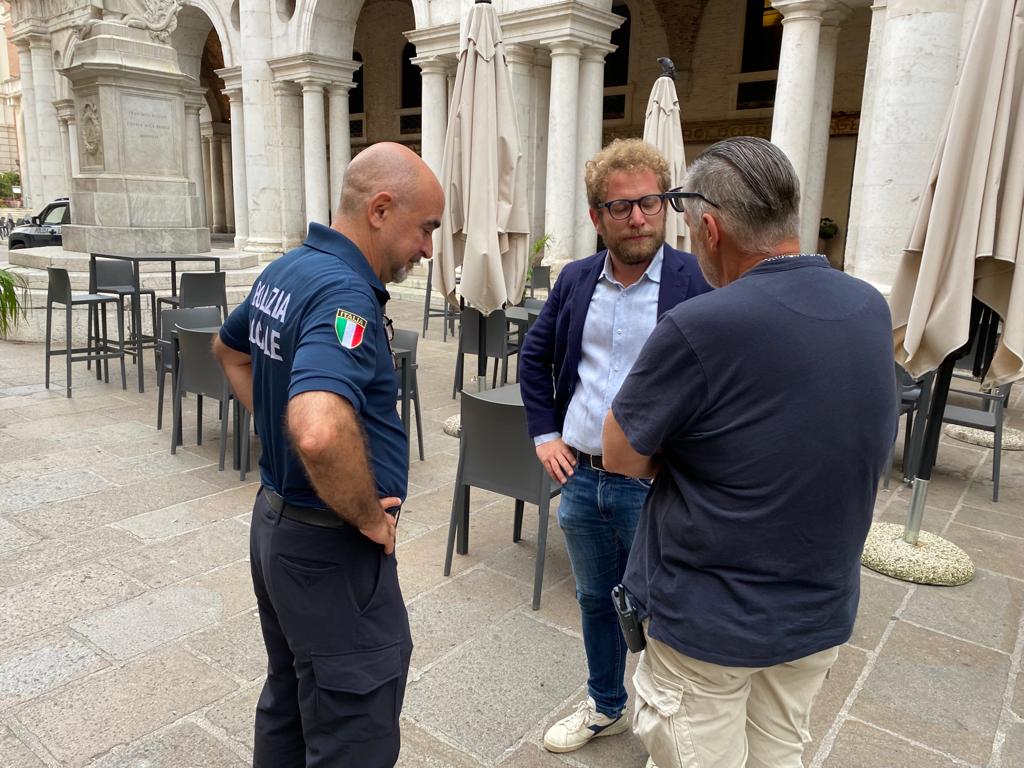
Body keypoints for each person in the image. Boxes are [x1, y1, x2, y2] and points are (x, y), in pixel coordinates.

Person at [602, 136, 897, 768]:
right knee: (779, 753)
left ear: (709, 229)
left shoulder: (703, 324)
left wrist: (694, 460)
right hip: (818, 606)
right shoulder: (869, 307)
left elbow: (621, 452)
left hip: (713, 616)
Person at [213, 142, 444, 768]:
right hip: (328, 548)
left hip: (278, 528)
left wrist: (280, 429)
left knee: (289, 698)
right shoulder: (345, 295)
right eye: (426, 228)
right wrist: (369, 515)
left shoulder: (288, 269)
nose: (428, 249)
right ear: (380, 208)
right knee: (353, 729)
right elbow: (317, 428)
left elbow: (229, 350)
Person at [519, 138, 712, 755]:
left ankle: (670, 727)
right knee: (595, 600)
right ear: (596, 215)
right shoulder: (576, 279)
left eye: (650, 203)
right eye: (620, 206)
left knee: (668, 610)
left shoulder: (699, 282)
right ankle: (607, 705)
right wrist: (546, 434)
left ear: (666, 206)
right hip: (580, 478)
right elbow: (534, 356)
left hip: (656, 485)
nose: (638, 217)